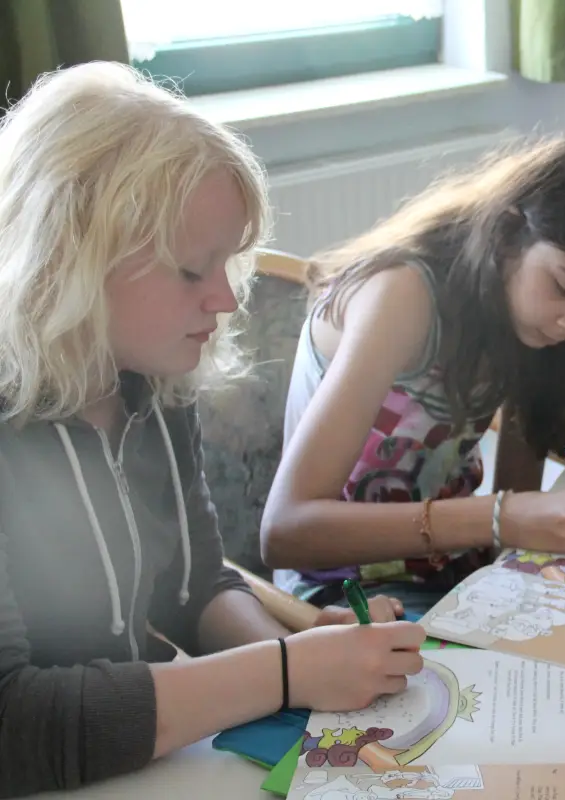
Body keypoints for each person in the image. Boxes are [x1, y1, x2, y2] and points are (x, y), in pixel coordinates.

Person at [0, 63, 426, 798]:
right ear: (67, 260)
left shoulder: (151, 381)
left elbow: (194, 582)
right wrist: (284, 670)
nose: (226, 298)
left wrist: (296, 655)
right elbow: (16, 723)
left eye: (227, 263)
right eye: (193, 270)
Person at [261, 136, 565, 616]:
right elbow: (284, 531)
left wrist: (514, 528)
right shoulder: (401, 295)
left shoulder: (528, 318)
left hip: (452, 571)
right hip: (342, 590)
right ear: (506, 233)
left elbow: (516, 505)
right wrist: (500, 516)